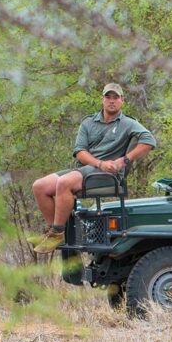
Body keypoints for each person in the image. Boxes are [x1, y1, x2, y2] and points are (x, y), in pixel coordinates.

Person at [31, 83, 156, 253]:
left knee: (64, 183)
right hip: (88, 168)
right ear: (102, 99)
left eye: (116, 97)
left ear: (122, 101)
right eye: (108, 97)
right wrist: (99, 163)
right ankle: (58, 231)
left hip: (107, 174)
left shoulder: (128, 123)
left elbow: (149, 141)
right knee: (39, 186)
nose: (111, 101)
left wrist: (124, 160)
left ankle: (57, 232)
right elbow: (80, 152)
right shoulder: (88, 122)